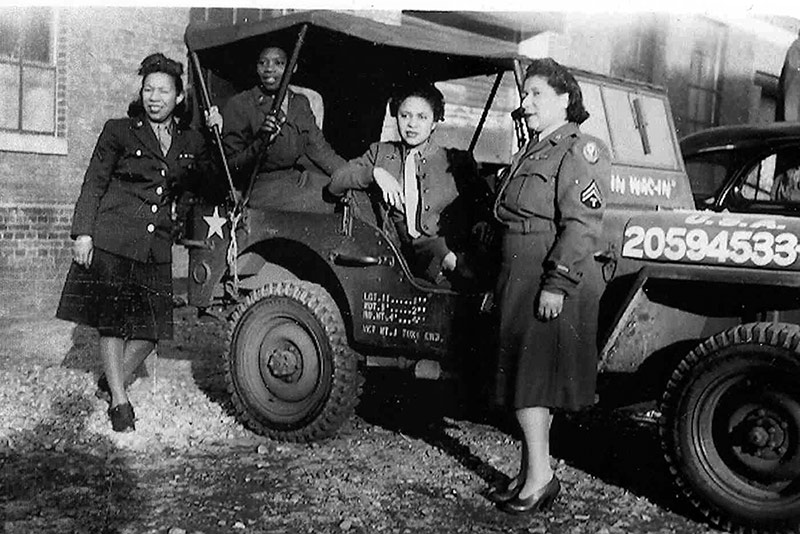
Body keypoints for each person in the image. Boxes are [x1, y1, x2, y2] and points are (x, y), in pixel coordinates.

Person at [56, 53, 223, 433]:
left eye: (164, 90)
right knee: (112, 323)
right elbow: (94, 181)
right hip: (114, 237)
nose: (154, 97)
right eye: (149, 89)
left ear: (179, 97)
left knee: (151, 331)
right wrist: (83, 232)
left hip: (155, 244)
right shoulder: (119, 130)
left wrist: (215, 135)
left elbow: (212, 183)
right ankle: (119, 400)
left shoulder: (191, 141)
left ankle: (112, 378)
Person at [488, 58, 610, 514]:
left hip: (544, 273)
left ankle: (540, 478)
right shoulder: (536, 147)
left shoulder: (580, 149)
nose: (526, 102)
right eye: (526, 94)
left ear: (565, 99)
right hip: (517, 273)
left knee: (532, 384)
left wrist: (556, 283)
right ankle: (529, 475)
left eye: (536, 93)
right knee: (525, 380)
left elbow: (581, 224)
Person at [327, 83, 491, 288]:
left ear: (434, 122)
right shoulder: (380, 153)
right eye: (405, 116)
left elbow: (484, 206)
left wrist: (478, 224)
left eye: (422, 117)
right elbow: (335, 183)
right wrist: (374, 173)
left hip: (449, 258)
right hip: (397, 257)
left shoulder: (456, 160)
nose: (412, 124)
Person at [221, 45, 346, 211]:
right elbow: (231, 166)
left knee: (341, 192)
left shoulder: (299, 103)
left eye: (278, 63)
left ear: (292, 68)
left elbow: (321, 150)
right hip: (259, 188)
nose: (269, 69)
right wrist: (260, 142)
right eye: (262, 63)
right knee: (327, 204)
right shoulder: (241, 104)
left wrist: (351, 175)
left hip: (295, 180)